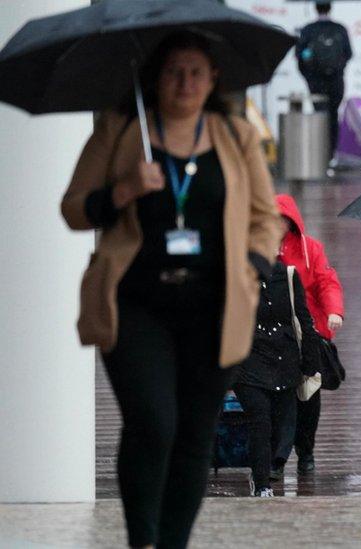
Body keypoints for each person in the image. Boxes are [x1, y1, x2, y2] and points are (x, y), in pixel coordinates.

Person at [60, 32, 281, 547]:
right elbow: (73, 208)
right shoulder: (122, 129)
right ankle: (142, 538)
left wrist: (250, 269)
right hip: (137, 306)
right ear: (155, 77)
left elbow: (265, 219)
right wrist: (124, 190)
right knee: (153, 423)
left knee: (194, 434)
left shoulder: (236, 134)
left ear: (214, 79)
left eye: (196, 72)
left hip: (215, 309)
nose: (185, 82)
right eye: (174, 71)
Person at [235, 259, 320, 497]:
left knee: (281, 424)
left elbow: (303, 317)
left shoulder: (289, 275)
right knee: (259, 422)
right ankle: (262, 484)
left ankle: (271, 467)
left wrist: (311, 362)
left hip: (285, 361)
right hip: (248, 361)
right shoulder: (234, 272)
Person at [275, 194, 344, 477]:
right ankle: (277, 455)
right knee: (278, 397)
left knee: (309, 397)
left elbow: (327, 282)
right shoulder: (257, 248)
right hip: (273, 334)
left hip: (307, 333)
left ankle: (306, 451)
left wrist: (333, 311)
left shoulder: (310, 249)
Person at [296, 1, 353, 162]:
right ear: (330, 8)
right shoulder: (340, 29)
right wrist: (337, 70)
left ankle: (319, 156)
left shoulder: (308, 30)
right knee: (333, 116)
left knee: (319, 116)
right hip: (336, 81)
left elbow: (299, 56)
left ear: (316, 8)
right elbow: (348, 54)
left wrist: (309, 77)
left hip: (316, 82)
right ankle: (331, 156)